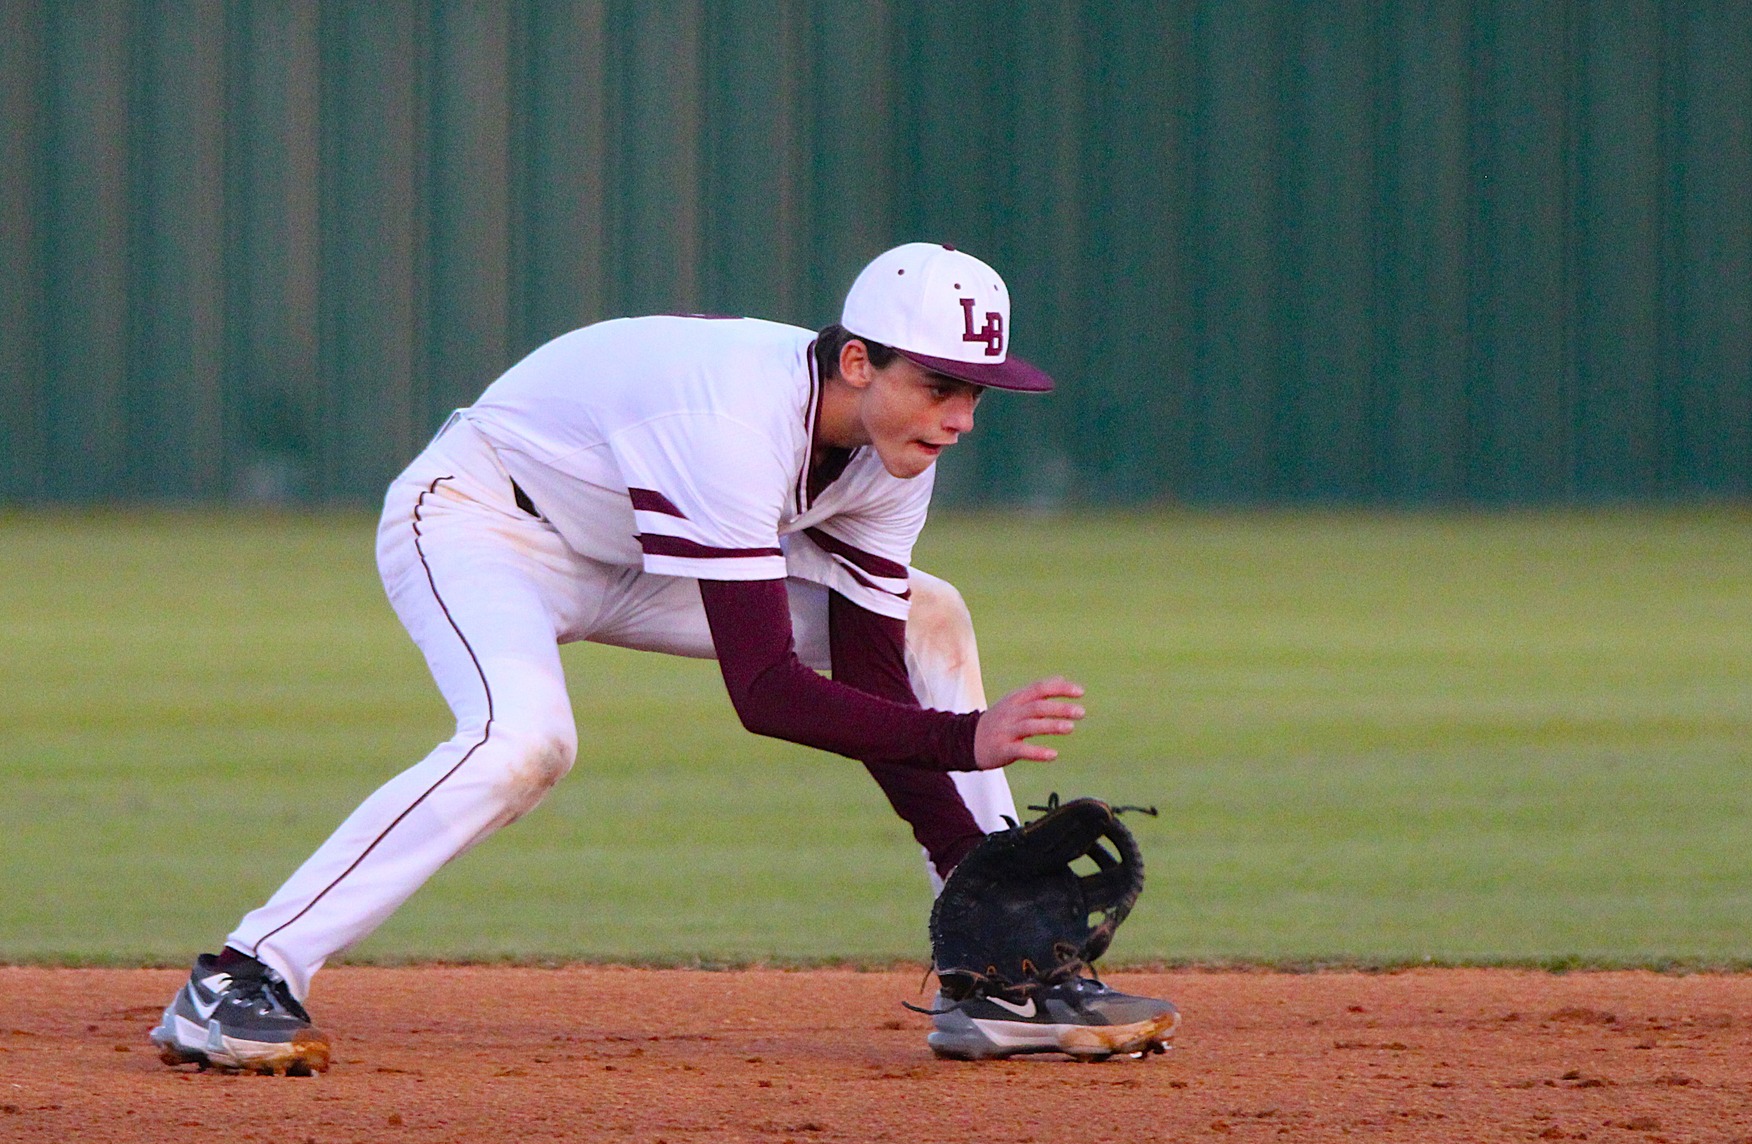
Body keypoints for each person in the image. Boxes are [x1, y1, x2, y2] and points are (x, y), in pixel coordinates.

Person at [149, 243, 1178, 1073]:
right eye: (941, 384)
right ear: (859, 362)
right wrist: (963, 738)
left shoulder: (893, 452)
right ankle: (243, 973)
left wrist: (964, 849)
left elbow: (871, 673)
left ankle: (1005, 972)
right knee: (524, 741)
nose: (960, 417)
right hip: (480, 518)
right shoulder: (733, 419)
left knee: (926, 615)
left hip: (638, 549)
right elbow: (766, 692)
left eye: (979, 393)